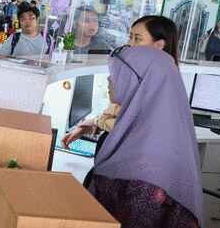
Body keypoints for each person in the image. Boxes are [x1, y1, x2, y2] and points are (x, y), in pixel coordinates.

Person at [84, 45, 210, 228]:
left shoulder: (147, 170)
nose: (110, 81)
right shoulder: (150, 130)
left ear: (140, 85)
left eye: (116, 75)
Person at [62, 15, 180, 148]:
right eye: (130, 37)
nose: (130, 44)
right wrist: (91, 124)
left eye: (137, 39)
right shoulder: (144, 74)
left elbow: (131, 125)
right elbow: (120, 110)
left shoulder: (160, 84)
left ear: (159, 45)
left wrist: (96, 122)